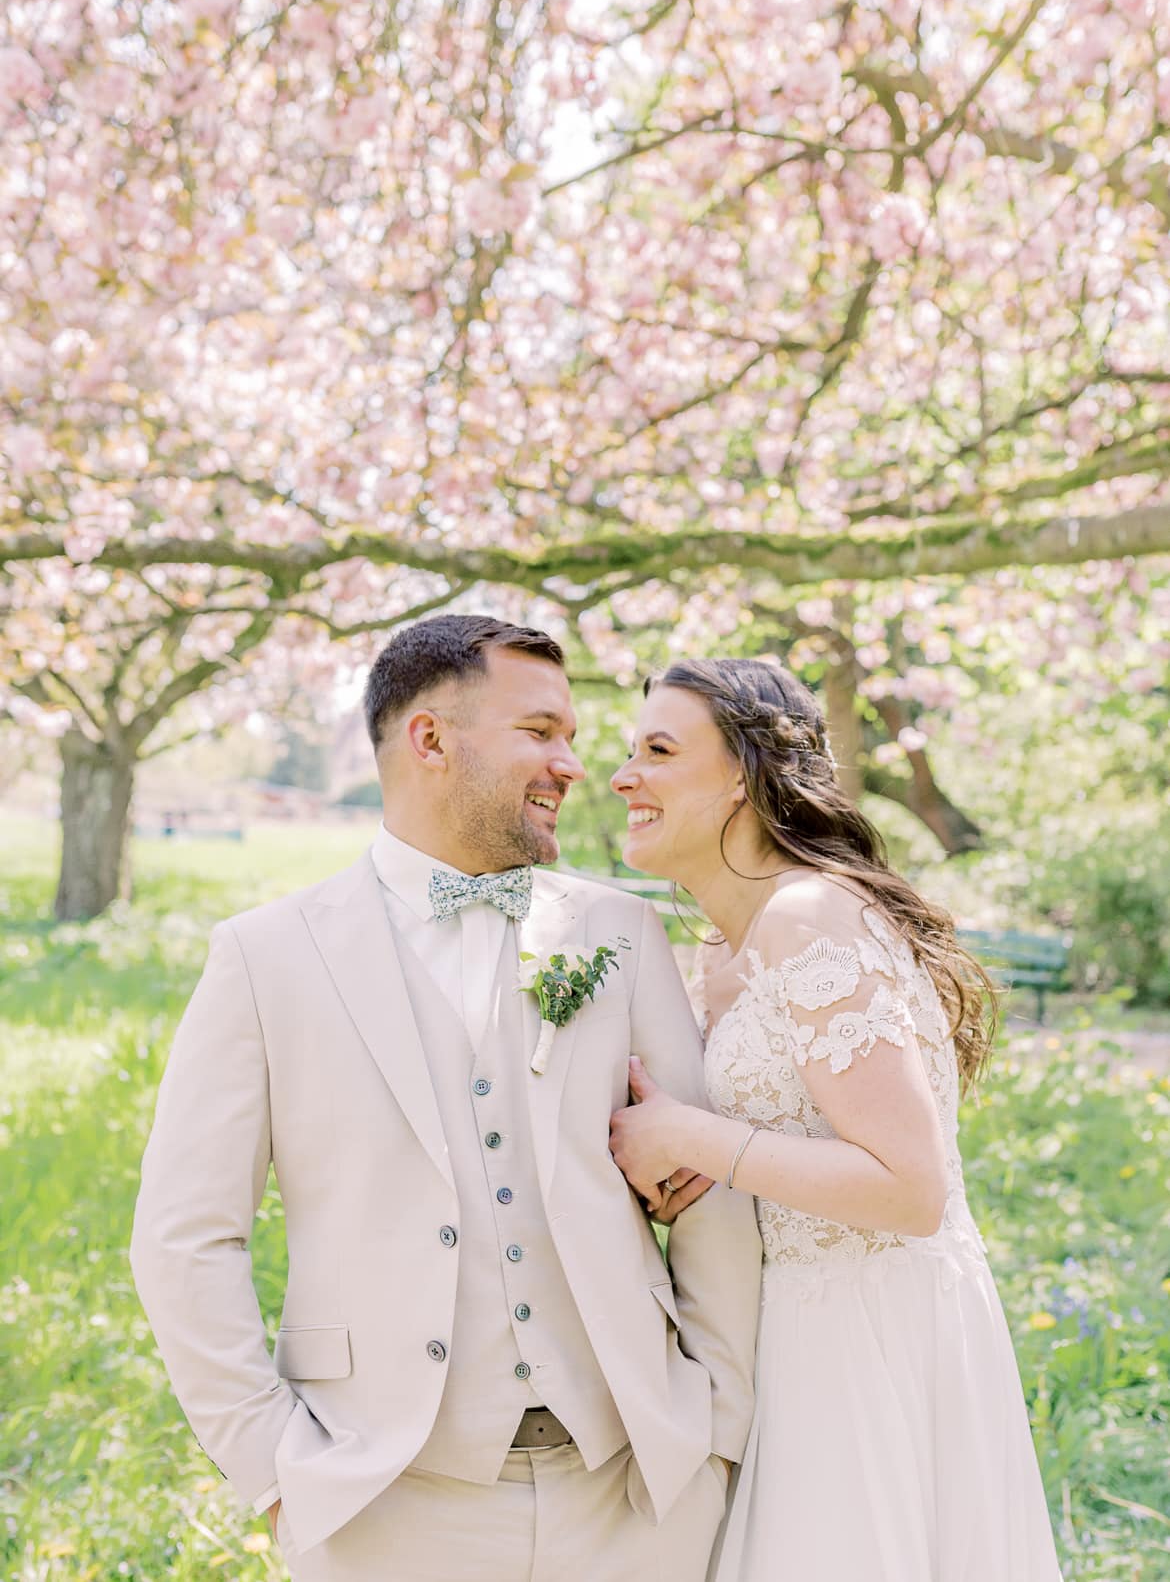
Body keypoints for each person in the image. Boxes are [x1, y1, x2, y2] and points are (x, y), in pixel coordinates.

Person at [130, 616, 761, 1582]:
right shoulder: (266, 956)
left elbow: (709, 1190)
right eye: (541, 732)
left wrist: (714, 1426)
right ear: (431, 740)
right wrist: (272, 1468)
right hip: (383, 1501)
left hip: (636, 1493)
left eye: (572, 740)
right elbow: (184, 1236)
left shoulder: (621, 931)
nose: (572, 765)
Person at [608, 657, 1064, 1582]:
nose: (623, 777)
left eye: (658, 750)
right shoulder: (727, 950)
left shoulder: (811, 915)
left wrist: (694, 1139)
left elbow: (910, 1188)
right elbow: (784, 1151)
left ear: (742, 772)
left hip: (873, 1337)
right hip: (791, 1338)